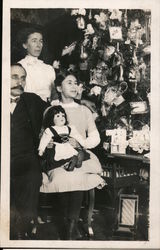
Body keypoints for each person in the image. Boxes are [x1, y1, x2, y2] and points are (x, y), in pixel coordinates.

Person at [40, 70, 105, 240]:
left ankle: (72, 225)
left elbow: (95, 137)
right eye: (70, 82)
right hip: (58, 156)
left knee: (77, 175)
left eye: (76, 83)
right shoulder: (51, 110)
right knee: (62, 177)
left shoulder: (84, 110)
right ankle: (68, 223)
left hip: (81, 154)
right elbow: (44, 134)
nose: (75, 86)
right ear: (59, 88)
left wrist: (81, 144)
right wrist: (48, 144)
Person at [10, 63, 49, 240]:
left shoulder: (32, 100)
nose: (20, 82)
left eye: (23, 78)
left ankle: (22, 228)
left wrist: (82, 102)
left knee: (32, 176)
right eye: (14, 77)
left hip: (26, 155)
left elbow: (54, 111)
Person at [38, 105, 90, 172]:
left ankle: (76, 162)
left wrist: (83, 143)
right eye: (58, 116)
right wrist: (41, 150)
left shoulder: (68, 128)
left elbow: (77, 136)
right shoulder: (50, 129)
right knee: (61, 157)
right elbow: (44, 140)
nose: (61, 117)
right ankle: (71, 163)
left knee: (72, 153)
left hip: (67, 145)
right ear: (51, 119)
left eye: (63, 115)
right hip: (57, 147)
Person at [18, 27, 57, 102]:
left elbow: (54, 96)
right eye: (34, 41)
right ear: (25, 45)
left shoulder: (49, 68)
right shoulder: (20, 66)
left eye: (40, 41)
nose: (38, 45)